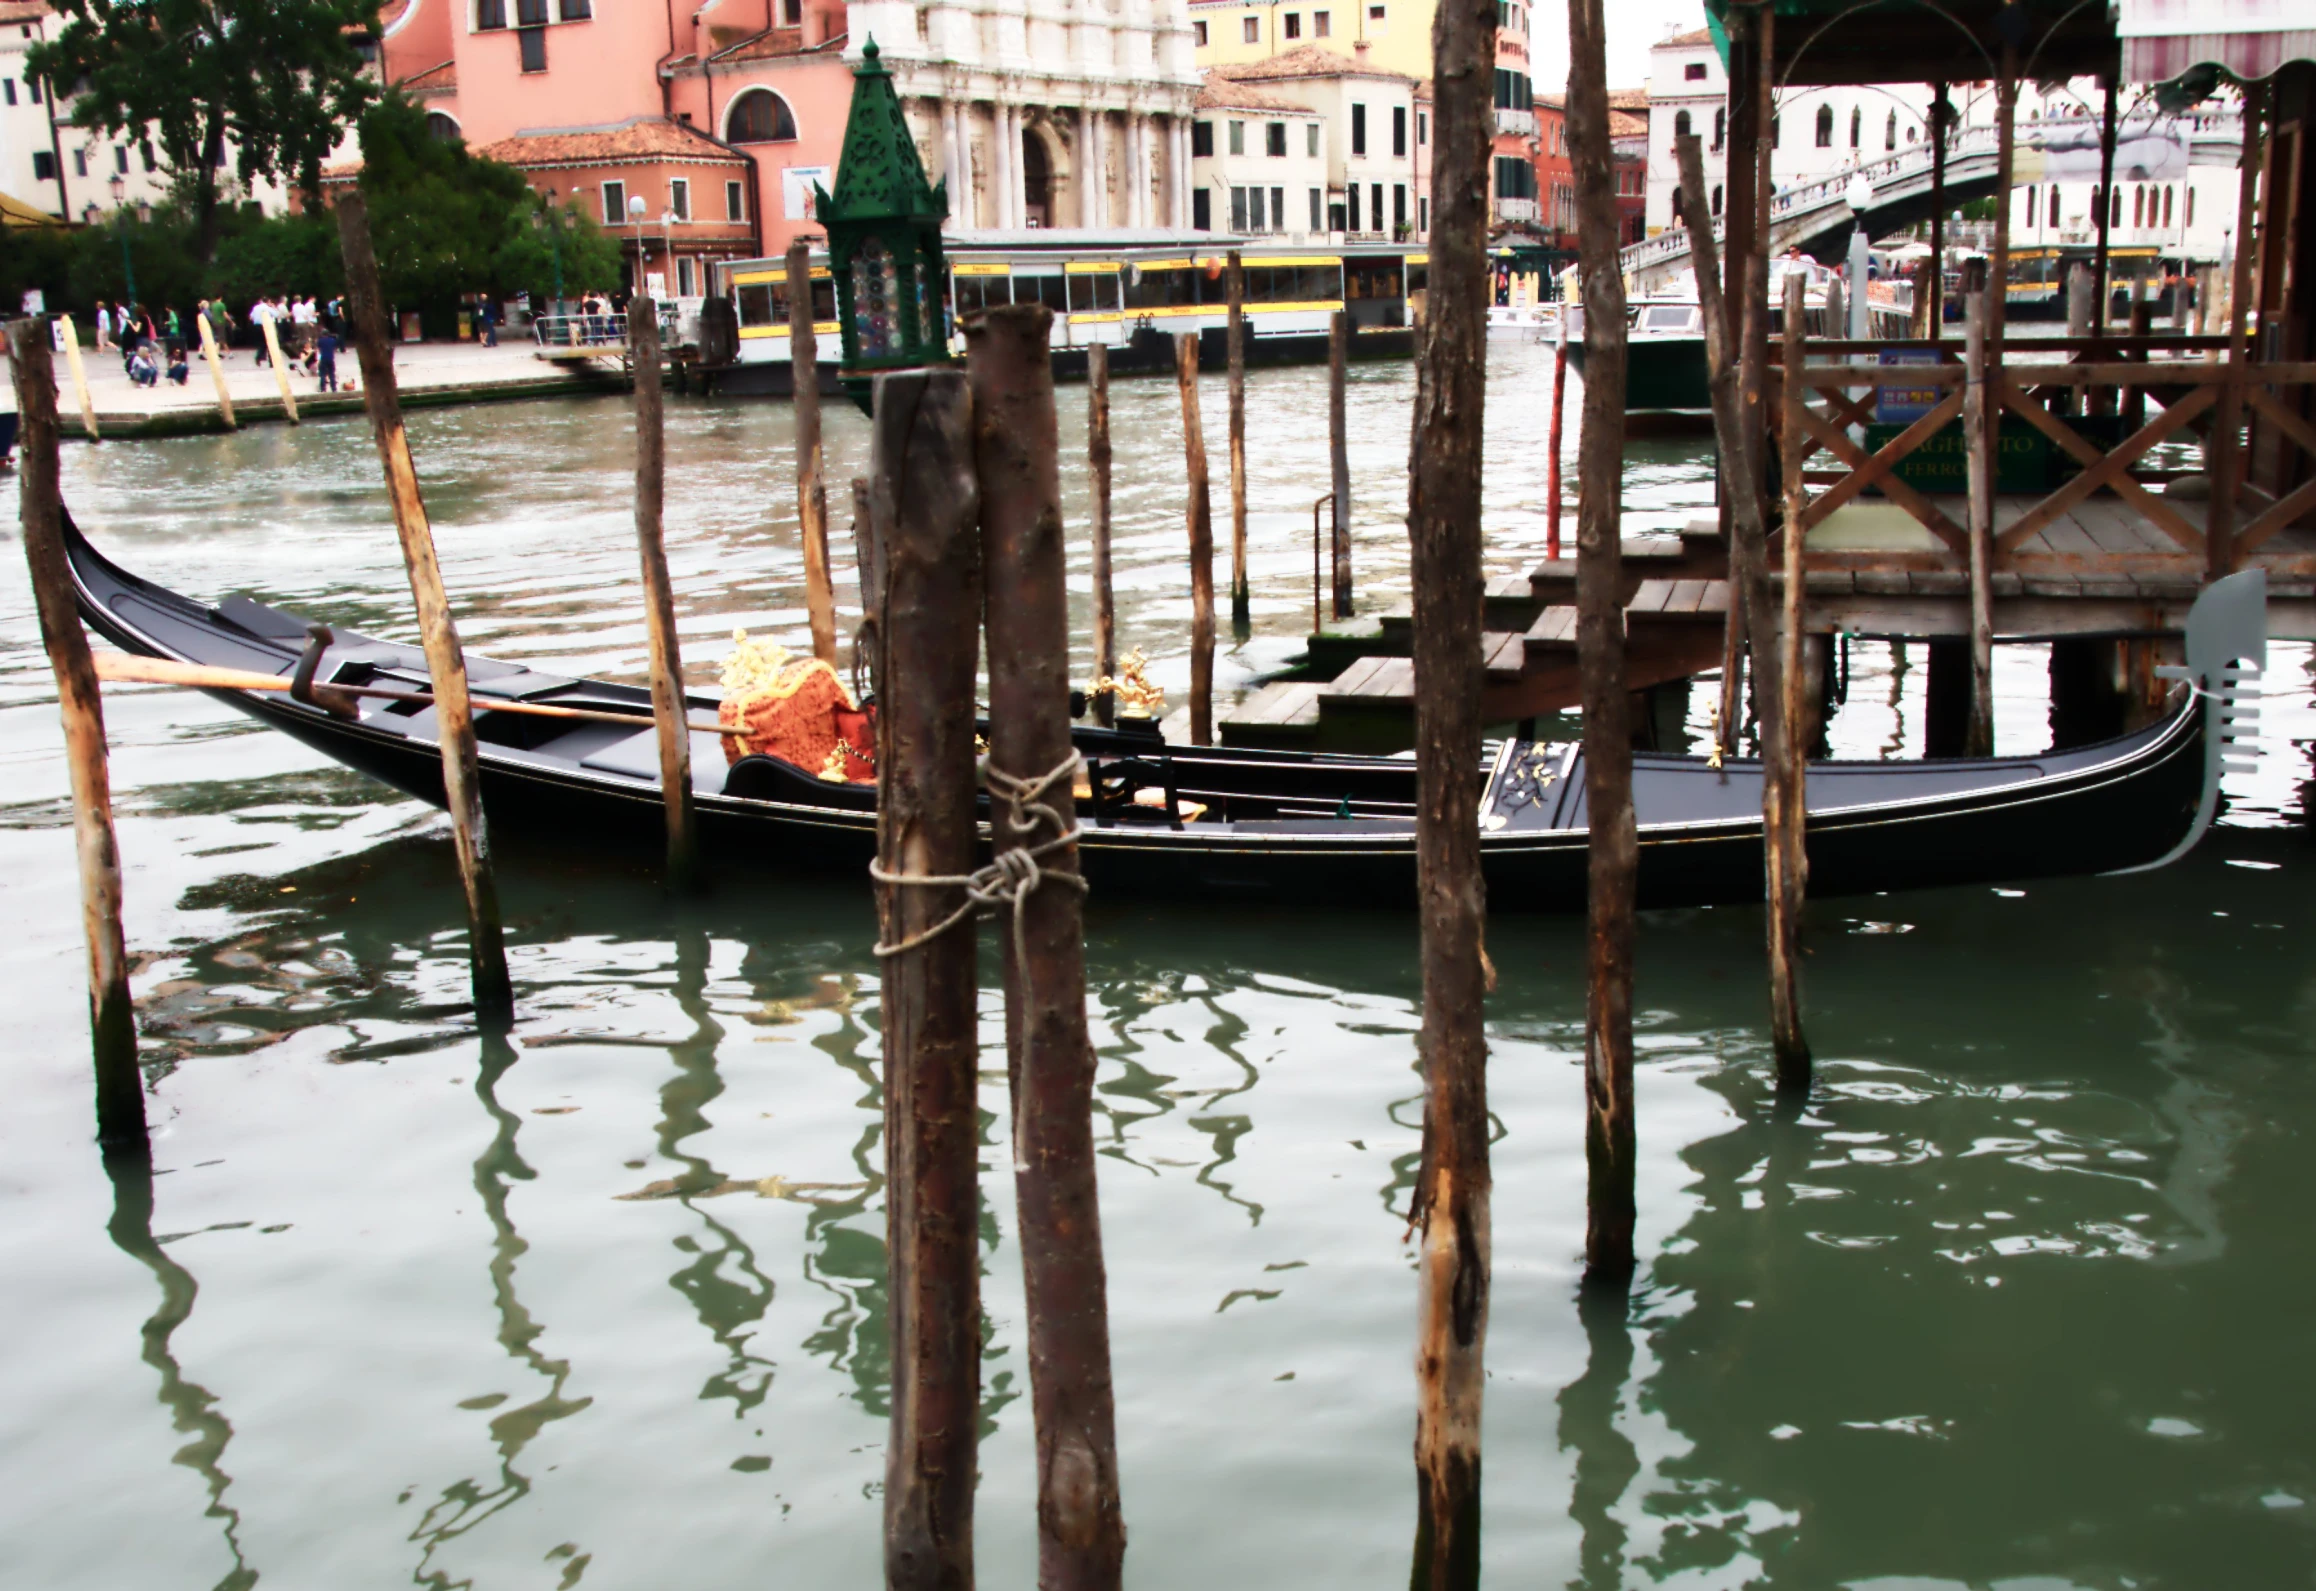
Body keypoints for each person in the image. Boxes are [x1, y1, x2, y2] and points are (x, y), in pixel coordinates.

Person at [316, 327, 339, 392]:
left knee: (323, 374)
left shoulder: (320, 341)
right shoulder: (332, 340)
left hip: (323, 358)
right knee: (332, 374)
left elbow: (319, 349)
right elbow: (334, 349)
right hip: (331, 359)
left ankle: (323, 389)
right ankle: (334, 388)